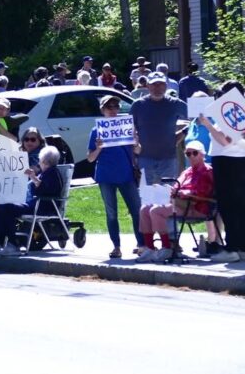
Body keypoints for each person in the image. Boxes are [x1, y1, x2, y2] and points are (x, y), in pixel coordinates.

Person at [135, 140, 214, 263]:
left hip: (196, 207)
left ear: (203, 154)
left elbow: (202, 193)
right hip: (179, 203)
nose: (191, 156)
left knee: (156, 210)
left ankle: (167, 247)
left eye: (195, 153)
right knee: (144, 208)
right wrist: (167, 190)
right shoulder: (187, 171)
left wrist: (183, 193)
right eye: (188, 154)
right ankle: (149, 248)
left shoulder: (208, 171)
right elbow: (176, 187)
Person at [87, 94, 145, 258]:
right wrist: (99, 148)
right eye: (108, 107)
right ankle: (116, 246)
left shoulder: (126, 127)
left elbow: (138, 151)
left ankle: (141, 244)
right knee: (111, 213)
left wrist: (136, 142)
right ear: (102, 110)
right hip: (106, 177)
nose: (113, 110)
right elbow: (90, 158)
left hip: (127, 175)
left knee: (136, 211)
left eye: (115, 106)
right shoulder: (96, 131)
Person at [0, 145, 65, 256]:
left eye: (40, 161)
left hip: (44, 207)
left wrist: (33, 177)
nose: (39, 163)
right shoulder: (46, 173)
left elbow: (45, 190)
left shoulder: (53, 173)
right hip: (35, 204)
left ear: (45, 161)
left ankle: (12, 244)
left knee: (7, 208)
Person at [196, 80, 245, 263]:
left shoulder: (234, 110)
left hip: (228, 162)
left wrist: (206, 124)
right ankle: (241, 247)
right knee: (239, 206)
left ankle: (232, 248)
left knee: (229, 206)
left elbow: (225, 141)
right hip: (236, 161)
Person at [130, 72, 187, 184]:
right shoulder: (138, 105)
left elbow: (195, 118)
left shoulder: (175, 103)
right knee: (147, 193)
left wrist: (184, 132)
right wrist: (135, 150)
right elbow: (130, 129)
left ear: (166, 85)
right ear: (147, 86)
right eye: (154, 84)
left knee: (167, 192)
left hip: (168, 158)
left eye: (161, 84)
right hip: (144, 158)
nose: (157, 87)